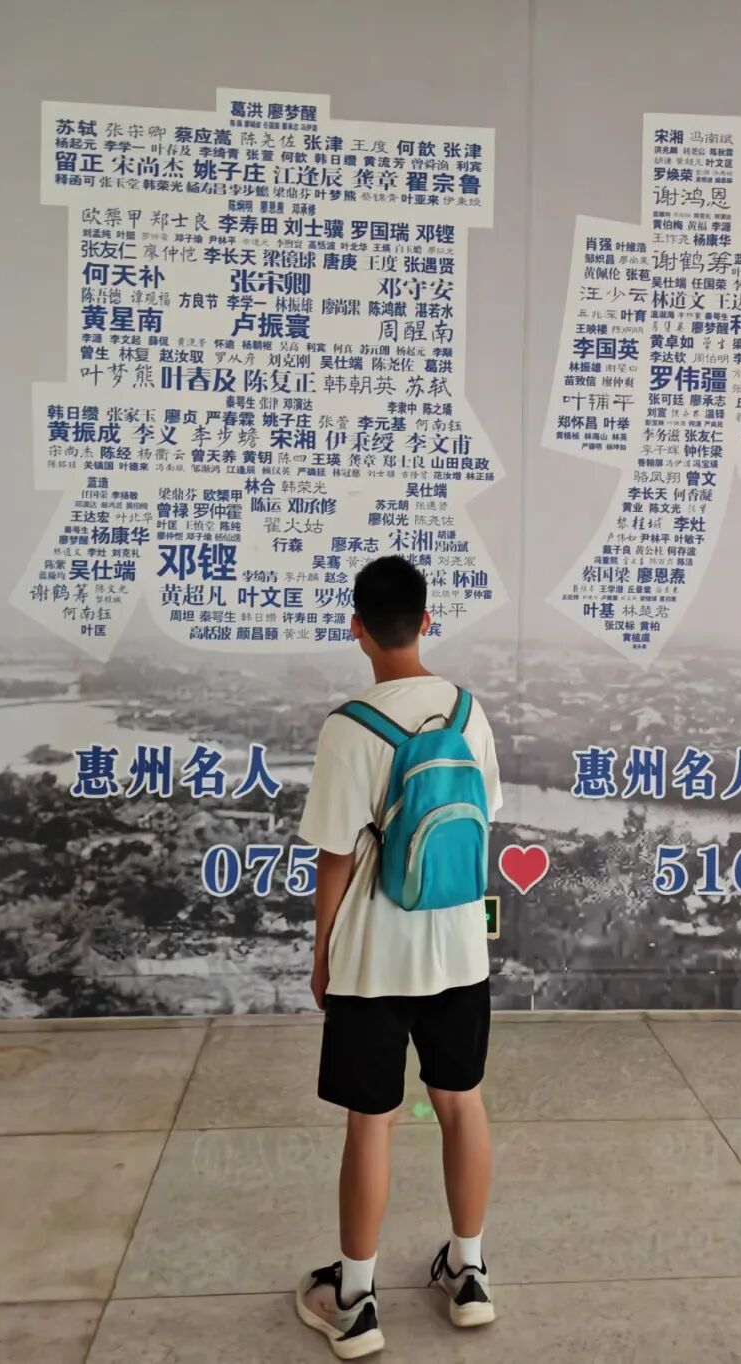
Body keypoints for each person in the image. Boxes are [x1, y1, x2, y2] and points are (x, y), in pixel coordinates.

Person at [294, 555, 501, 1359]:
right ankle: (470, 1274)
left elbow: (335, 858)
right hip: (460, 950)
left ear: (357, 629)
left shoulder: (350, 727)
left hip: (376, 959)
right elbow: (482, 819)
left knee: (372, 1122)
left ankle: (353, 1300)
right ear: (426, 622)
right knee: (462, 1104)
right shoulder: (468, 713)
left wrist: (322, 953)